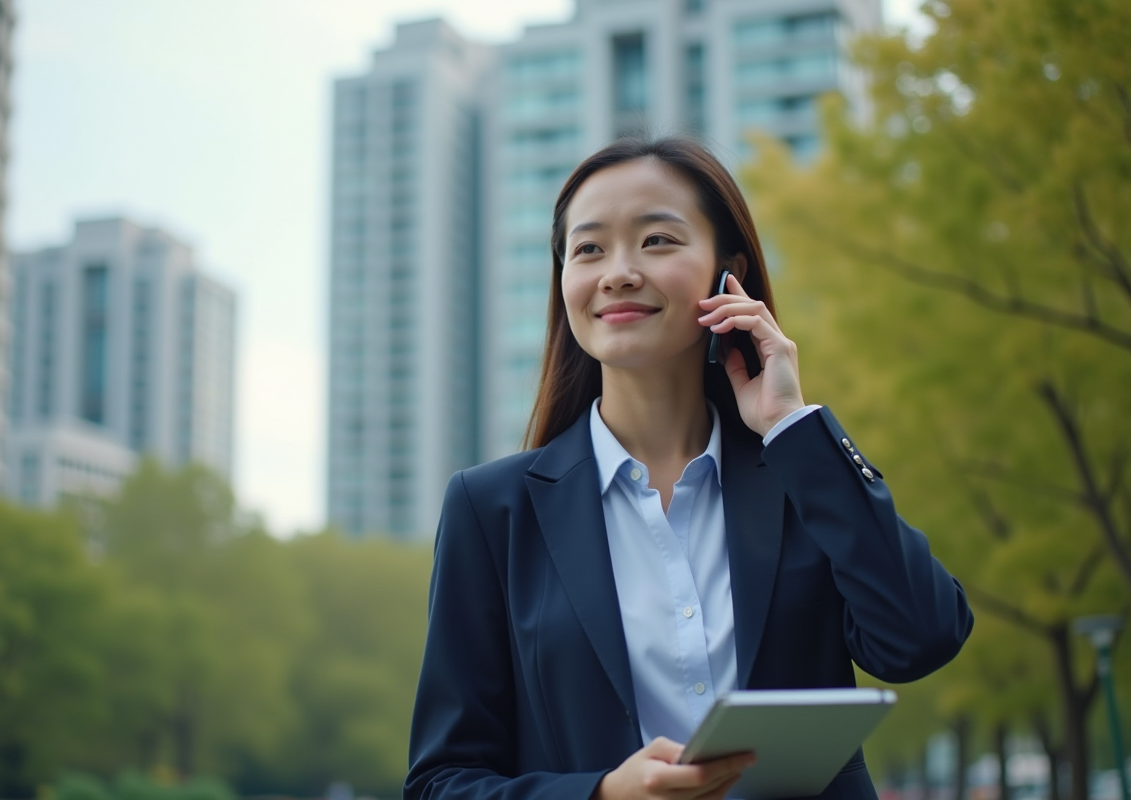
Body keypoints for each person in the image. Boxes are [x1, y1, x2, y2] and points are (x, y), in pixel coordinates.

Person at [405, 136, 973, 800]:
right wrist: (603, 796)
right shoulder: (490, 510)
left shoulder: (799, 475)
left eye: (657, 240)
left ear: (727, 273)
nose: (617, 271)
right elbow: (442, 782)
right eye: (588, 249)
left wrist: (791, 427)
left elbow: (921, 638)